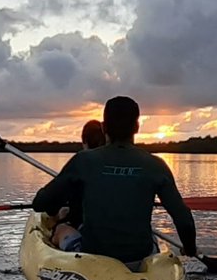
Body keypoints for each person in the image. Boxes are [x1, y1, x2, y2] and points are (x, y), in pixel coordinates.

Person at [34, 96, 198, 265]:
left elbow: (40, 203)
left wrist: (52, 202)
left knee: (61, 229)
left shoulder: (83, 160)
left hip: (93, 255)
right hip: (139, 256)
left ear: (104, 127)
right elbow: (183, 219)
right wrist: (190, 248)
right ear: (136, 127)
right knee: (150, 236)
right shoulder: (156, 165)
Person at [50, 120, 107, 250]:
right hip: (115, 232)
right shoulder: (120, 165)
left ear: (84, 141)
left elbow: (43, 203)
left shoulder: (79, 163)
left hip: (91, 235)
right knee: (65, 212)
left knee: (61, 226)